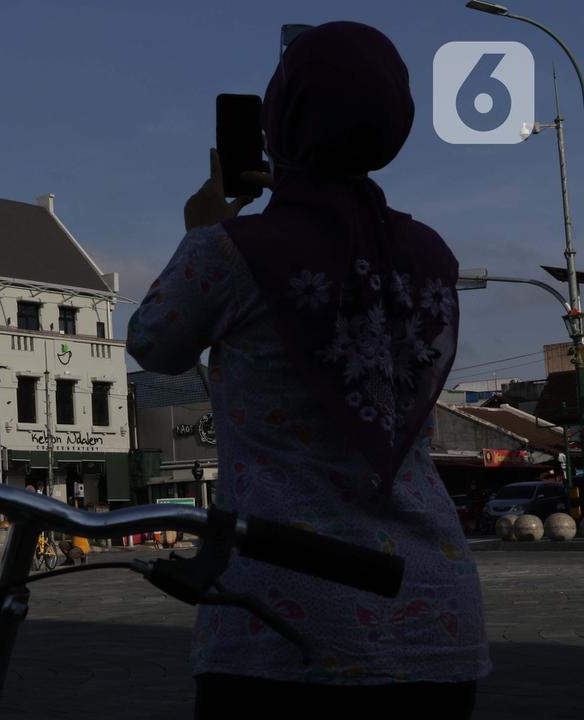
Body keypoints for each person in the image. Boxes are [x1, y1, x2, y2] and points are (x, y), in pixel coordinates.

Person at [125, 22, 489, 718]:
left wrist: (201, 227)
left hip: (285, 615)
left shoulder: (230, 252)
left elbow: (154, 343)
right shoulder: (430, 255)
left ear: (281, 118)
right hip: (435, 611)